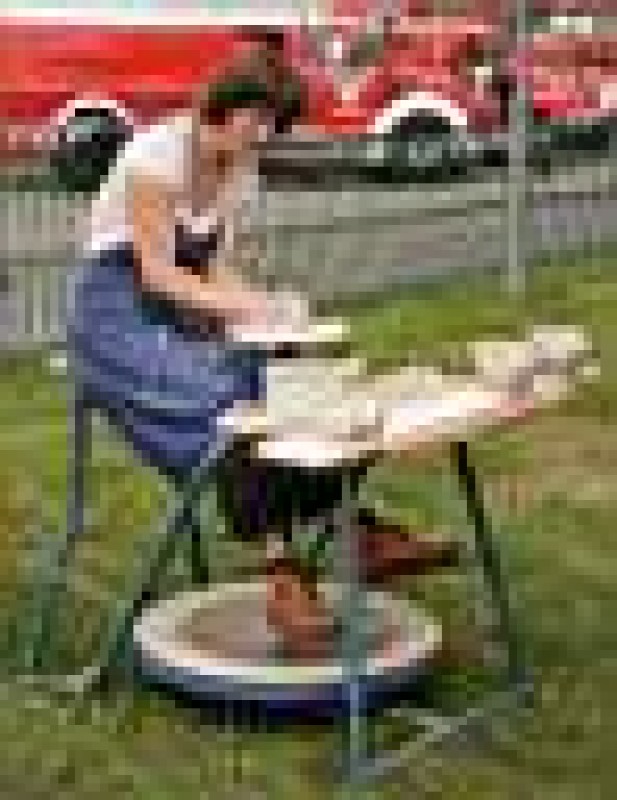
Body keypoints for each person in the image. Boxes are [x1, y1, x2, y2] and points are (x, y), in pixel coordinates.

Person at [70, 61, 458, 663]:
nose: (266, 134)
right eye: (258, 118)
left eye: (275, 123)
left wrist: (275, 312)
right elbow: (158, 274)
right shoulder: (156, 156)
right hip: (118, 322)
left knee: (299, 379)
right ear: (223, 106)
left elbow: (213, 271)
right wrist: (250, 307)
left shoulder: (237, 170)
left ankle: (355, 530)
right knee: (235, 407)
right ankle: (282, 571)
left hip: (183, 313)